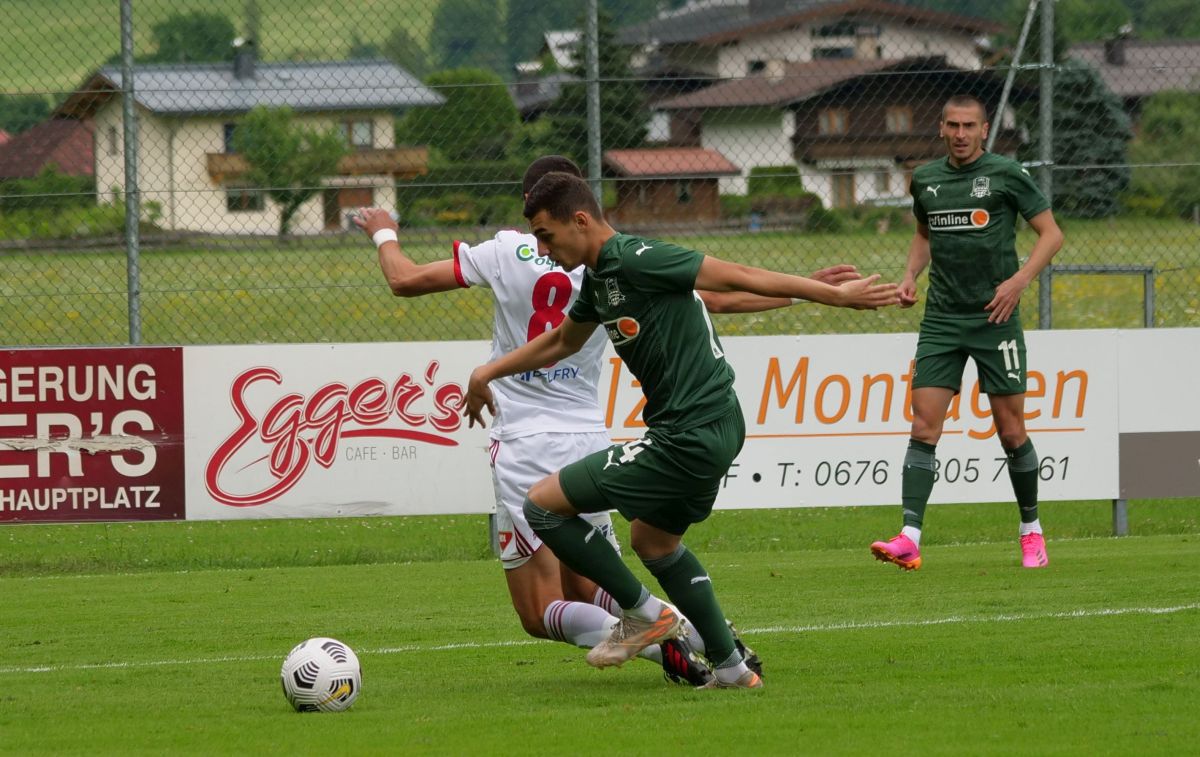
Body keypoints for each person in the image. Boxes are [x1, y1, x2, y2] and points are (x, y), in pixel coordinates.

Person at [356, 156, 858, 686]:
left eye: (543, 230)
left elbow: (404, 279)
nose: (542, 246)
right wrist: (804, 289)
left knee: (537, 607)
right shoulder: (597, 271)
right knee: (633, 553)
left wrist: (384, 229)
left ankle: (664, 632)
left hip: (526, 435)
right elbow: (708, 296)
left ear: (559, 211)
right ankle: (716, 649)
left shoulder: (514, 251)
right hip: (588, 430)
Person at [869, 94, 1064, 572]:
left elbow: (1052, 234)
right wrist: (911, 275)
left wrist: (1019, 282)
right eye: (952, 125)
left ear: (984, 129)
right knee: (923, 425)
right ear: (941, 128)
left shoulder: (1007, 175)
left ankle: (1031, 531)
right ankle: (910, 537)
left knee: (1011, 430)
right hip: (941, 319)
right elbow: (923, 234)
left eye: (969, 126)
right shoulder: (927, 180)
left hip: (995, 318)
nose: (960, 134)